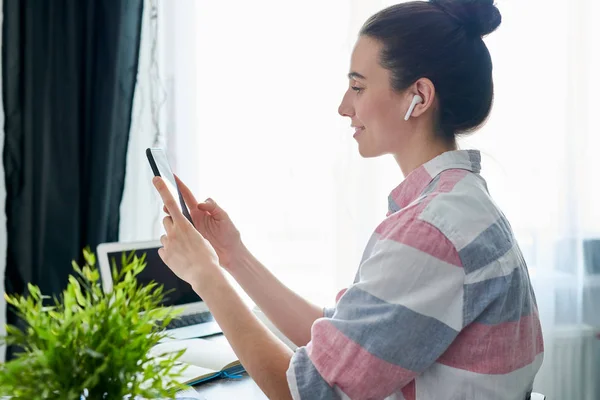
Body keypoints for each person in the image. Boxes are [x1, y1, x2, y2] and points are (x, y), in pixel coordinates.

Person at [152, 0, 544, 399]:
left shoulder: (432, 229)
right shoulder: (460, 204)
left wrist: (205, 276)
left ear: (419, 97)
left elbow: (306, 391)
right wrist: (232, 256)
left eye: (358, 87)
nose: (344, 107)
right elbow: (345, 343)